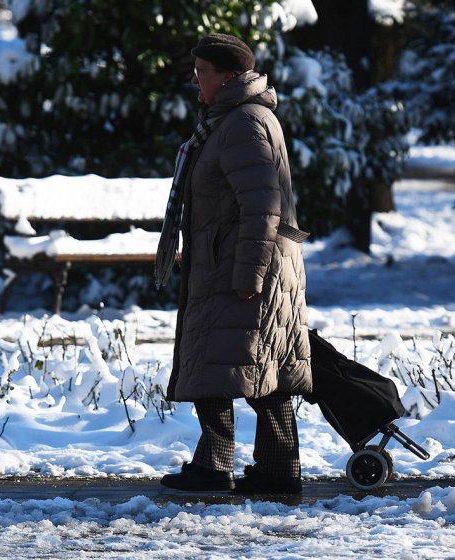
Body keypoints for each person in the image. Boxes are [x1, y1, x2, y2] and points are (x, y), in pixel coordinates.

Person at [154, 33, 312, 494]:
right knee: (245, 367)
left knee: (239, 366)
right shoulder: (230, 120)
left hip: (245, 268)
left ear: (228, 76)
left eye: (202, 71)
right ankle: (268, 469)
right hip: (232, 263)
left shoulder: (244, 123)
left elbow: (263, 207)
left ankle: (224, 467)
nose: (194, 80)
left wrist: (250, 274)